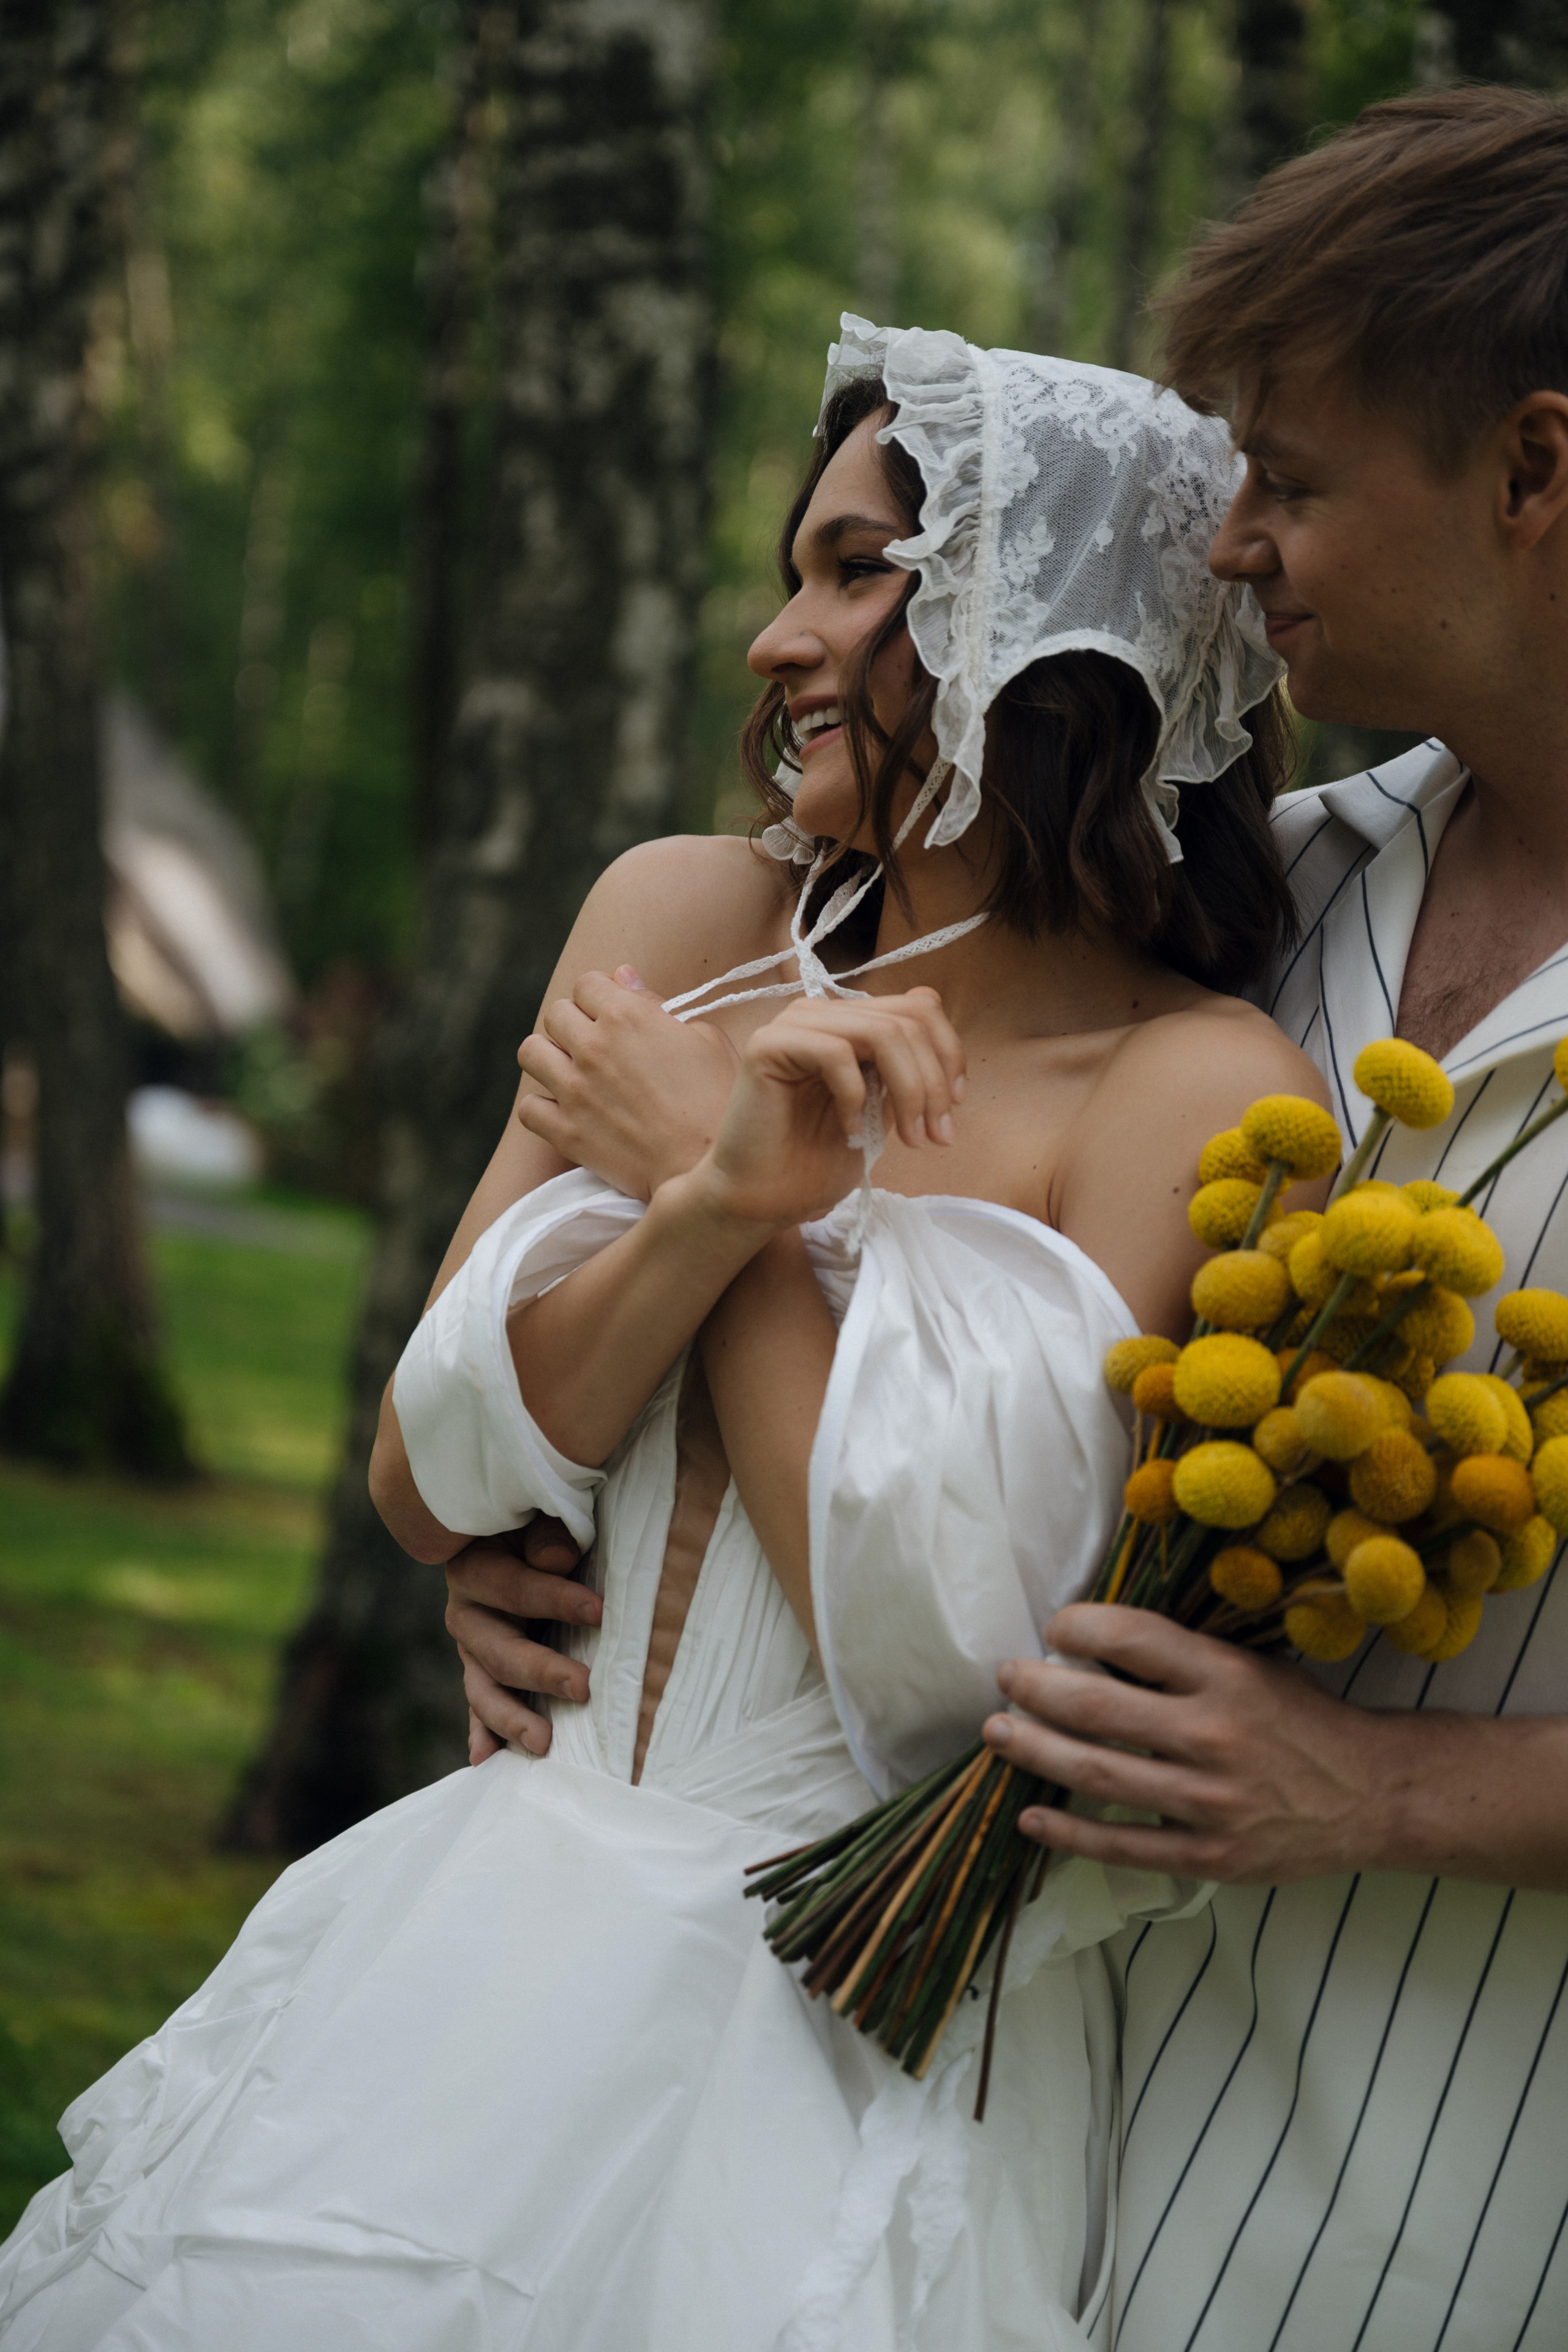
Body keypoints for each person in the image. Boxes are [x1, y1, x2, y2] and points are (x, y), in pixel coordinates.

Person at [0, 324, 1324, 2350]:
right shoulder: (683, 918)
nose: (773, 639)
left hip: (842, 2021)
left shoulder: (1189, 1077)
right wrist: (712, 1199)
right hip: (486, 1924)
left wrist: (746, 1236)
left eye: (849, 569)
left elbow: (957, 1671)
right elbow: (430, 1482)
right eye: (792, 569)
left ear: (1043, 633)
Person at [983, 87, 1568, 2352]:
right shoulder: (1249, 897)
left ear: (1533, 471)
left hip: (1460, 2221)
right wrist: (584, 1572)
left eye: (1297, 477)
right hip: (1022, 2163)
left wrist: (1374, 1786)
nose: (1233, 544)